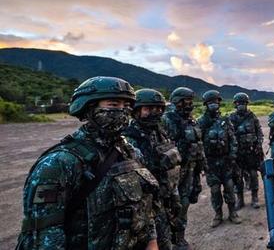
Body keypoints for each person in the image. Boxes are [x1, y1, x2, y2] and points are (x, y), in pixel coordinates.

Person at [16, 76, 160, 250]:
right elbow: (45, 236)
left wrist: (152, 241)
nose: (122, 111)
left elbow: (145, 205)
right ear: (88, 108)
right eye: (113, 105)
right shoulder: (59, 163)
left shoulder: (131, 152)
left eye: (127, 106)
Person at [123, 89, 182, 250]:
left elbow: (171, 165)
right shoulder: (128, 139)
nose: (154, 113)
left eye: (158, 109)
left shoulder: (160, 133)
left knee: (168, 237)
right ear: (136, 111)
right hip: (145, 206)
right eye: (148, 109)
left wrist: (174, 196)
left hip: (165, 197)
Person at [161, 87, 205, 249]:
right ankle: (168, 238)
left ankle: (180, 237)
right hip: (173, 171)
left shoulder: (190, 119)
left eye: (191, 100)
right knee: (170, 205)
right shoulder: (167, 119)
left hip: (190, 168)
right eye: (187, 100)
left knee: (184, 203)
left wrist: (202, 164)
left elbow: (198, 143)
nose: (190, 103)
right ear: (178, 101)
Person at [197, 90, 242, 227]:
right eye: (210, 103)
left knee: (229, 187)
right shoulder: (202, 122)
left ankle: (233, 212)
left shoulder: (225, 120)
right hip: (211, 163)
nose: (213, 105)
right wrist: (203, 162)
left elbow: (233, 139)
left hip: (226, 161)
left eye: (216, 102)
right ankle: (218, 214)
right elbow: (198, 143)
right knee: (215, 190)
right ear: (206, 104)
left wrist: (233, 156)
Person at [229, 92, 264, 209]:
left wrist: (258, 144)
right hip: (238, 152)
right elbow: (229, 135)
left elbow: (259, 132)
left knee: (254, 174)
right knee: (238, 177)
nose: (241, 105)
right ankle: (240, 199)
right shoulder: (231, 118)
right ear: (235, 104)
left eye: (243, 103)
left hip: (251, 151)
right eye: (239, 103)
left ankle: (255, 198)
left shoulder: (252, 116)